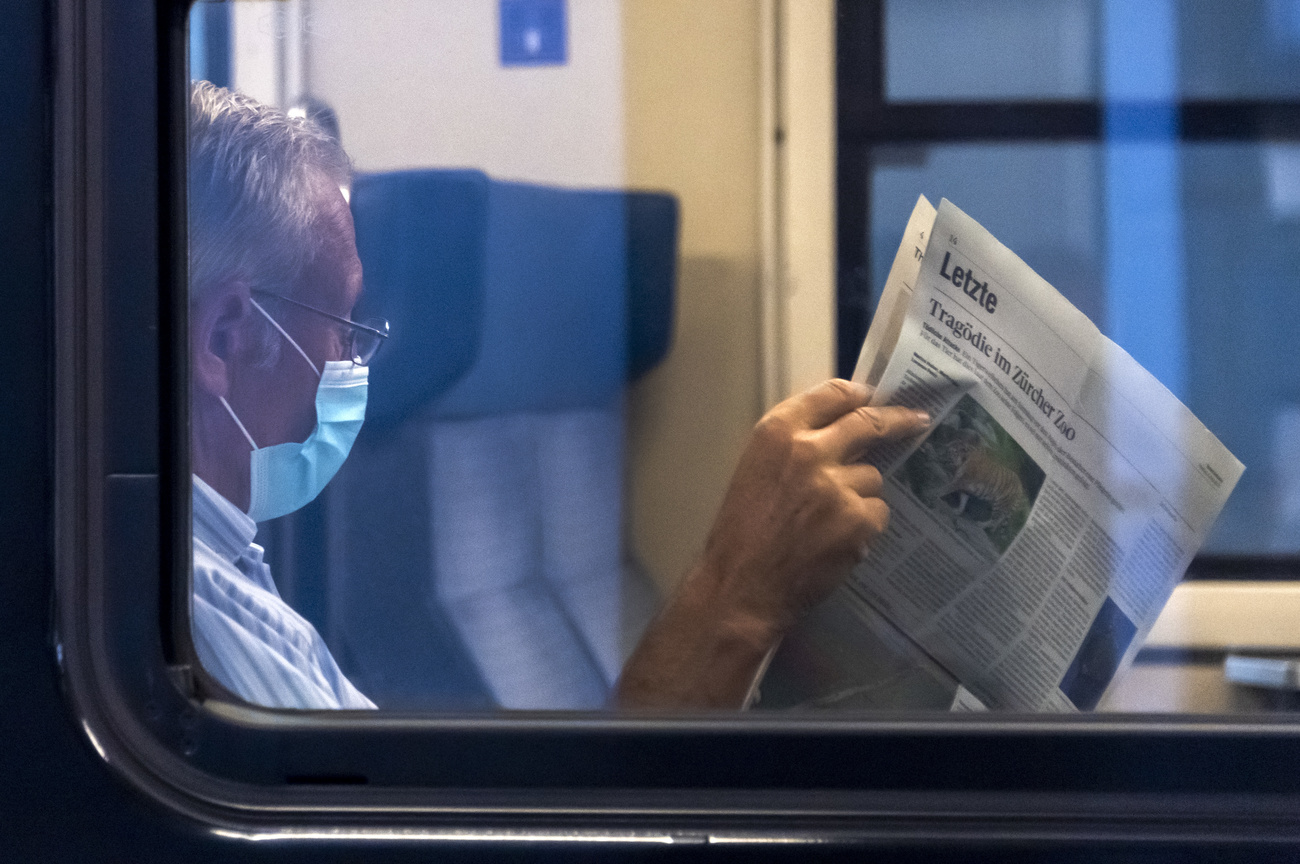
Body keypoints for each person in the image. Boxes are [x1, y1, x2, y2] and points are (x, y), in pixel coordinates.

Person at [187, 81, 929, 711]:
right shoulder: (193, 613)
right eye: (344, 326)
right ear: (224, 339)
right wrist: (739, 588)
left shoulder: (234, 573)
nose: (353, 362)